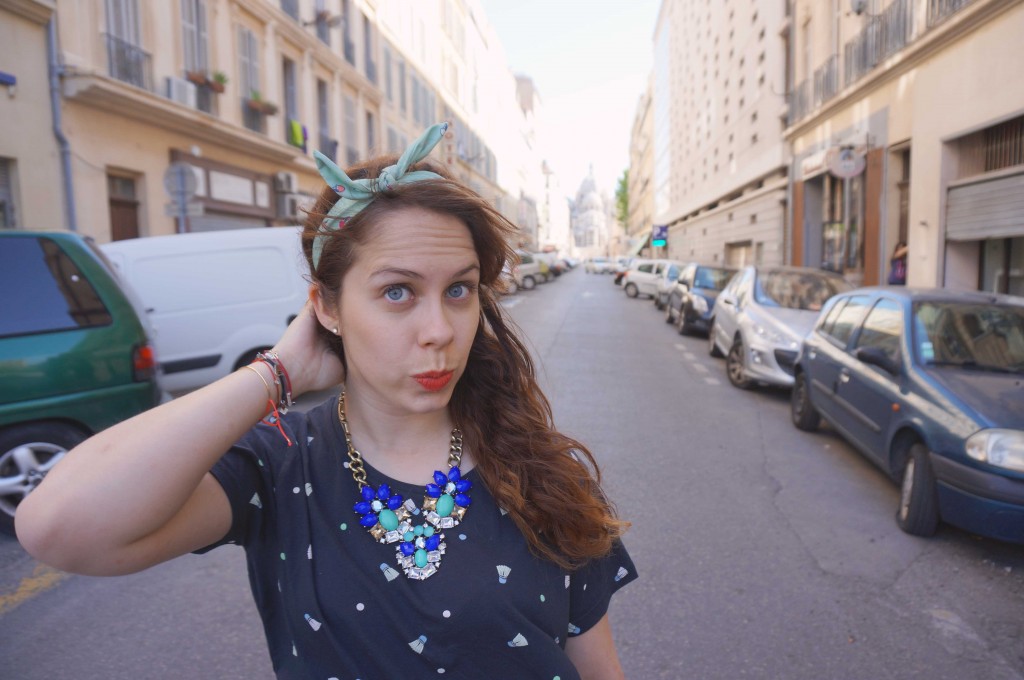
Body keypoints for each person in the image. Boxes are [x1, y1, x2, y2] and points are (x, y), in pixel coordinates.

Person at [16, 122, 636, 679]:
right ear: (326, 307)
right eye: (397, 292)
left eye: (459, 290)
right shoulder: (278, 467)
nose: (439, 331)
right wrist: (276, 372)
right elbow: (56, 527)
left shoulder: (543, 469)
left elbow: (597, 668)